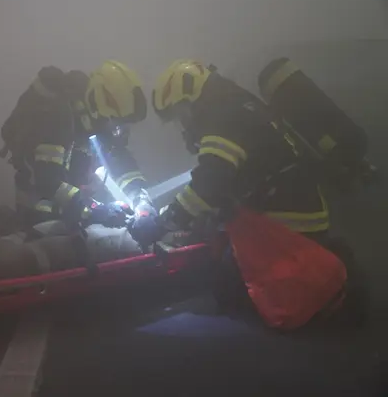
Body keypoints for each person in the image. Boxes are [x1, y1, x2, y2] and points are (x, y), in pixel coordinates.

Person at [151, 60, 365, 323]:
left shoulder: (222, 116)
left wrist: (169, 219)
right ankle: (329, 269)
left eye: (179, 114)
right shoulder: (239, 103)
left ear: (189, 97)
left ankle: (323, 289)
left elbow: (211, 179)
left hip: (285, 219)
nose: (182, 124)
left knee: (226, 287)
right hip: (302, 208)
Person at [0, 61, 157, 242]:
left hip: (71, 215)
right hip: (39, 215)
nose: (118, 131)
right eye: (117, 123)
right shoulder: (58, 119)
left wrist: (142, 202)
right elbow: (48, 181)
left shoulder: (99, 123)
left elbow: (122, 164)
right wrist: (95, 209)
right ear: (98, 107)